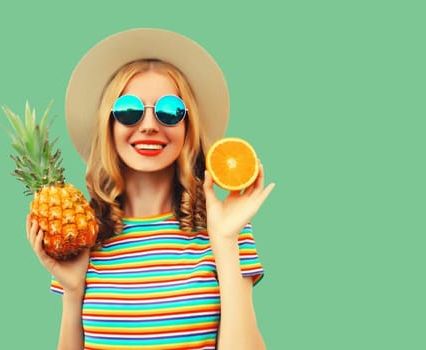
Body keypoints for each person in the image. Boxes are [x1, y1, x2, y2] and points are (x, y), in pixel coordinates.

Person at [25, 28, 275, 350]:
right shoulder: (86, 232)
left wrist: (225, 242)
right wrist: (73, 292)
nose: (148, 125)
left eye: (169, 111)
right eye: (129, 110)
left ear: (188, 127)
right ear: (109, 124)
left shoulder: (224, 227)